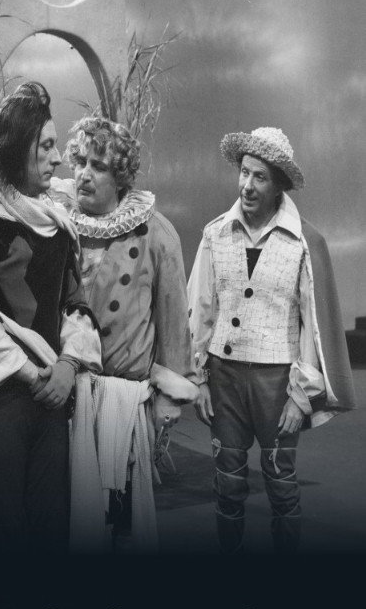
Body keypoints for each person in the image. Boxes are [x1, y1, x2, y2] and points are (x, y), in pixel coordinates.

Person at [0, 82, 101, 551]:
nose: (58, 158)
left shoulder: (56, 224)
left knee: (51, 522)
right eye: (45, 146)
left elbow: (75, 303)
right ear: (15, 148)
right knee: (3, 524)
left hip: (52, 393)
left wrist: (68, 366)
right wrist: (39, 375)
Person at [187, 126, 355, 553]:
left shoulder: (303, 243)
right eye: (244, 172)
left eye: (259, 177)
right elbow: (200, 308)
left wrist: (301, 396)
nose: (247, 185)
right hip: (224, 377)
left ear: (278, 184)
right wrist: (199, 378)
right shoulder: (215, 234)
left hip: (277, 383)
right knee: (227, 481)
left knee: (281, 481)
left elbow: (312, 325)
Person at [51, 116, 198, 552]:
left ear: (120, 176)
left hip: (124, 399)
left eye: (97, 166)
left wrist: (169, 397)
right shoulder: (54, 223)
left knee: (123, 512)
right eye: (80, 161)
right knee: (65, 514)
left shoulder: (156, 233)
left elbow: (174, 321)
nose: (84, 174)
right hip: (65, 394)